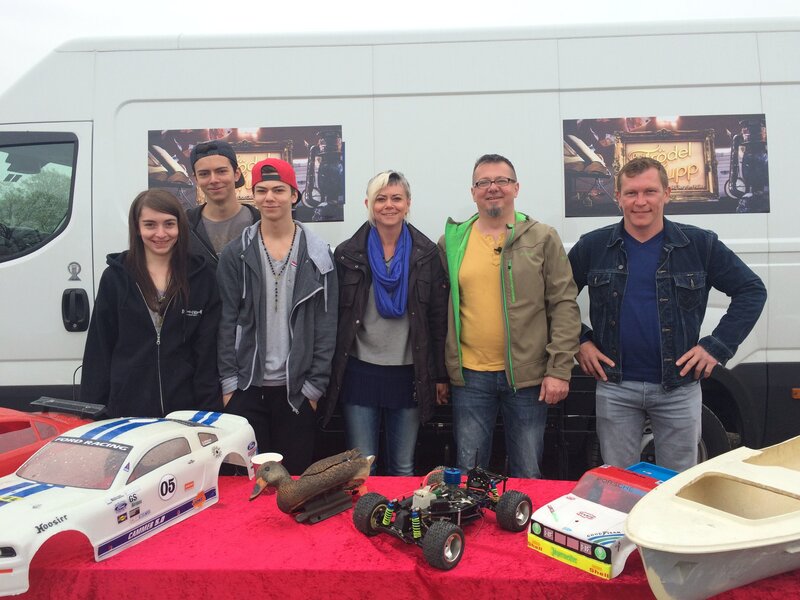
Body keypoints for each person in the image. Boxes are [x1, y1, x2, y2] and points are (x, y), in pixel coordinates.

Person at [568, 156, 767, 472]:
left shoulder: (699, 244)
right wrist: (580, 341)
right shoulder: (593, 246)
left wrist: (716, 347)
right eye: (631, 193)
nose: (641, 201)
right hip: (616, 387)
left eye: (650, 191)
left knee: (677, 483)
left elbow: (752, 290)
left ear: (667, 193)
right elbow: (555, 298)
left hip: (678, 389)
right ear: (618, 197)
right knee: (619, 482)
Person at [439, 154, 580, 478]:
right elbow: (439, 309)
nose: (493, 188)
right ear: (473, 192)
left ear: (516, 188)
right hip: (470, 377)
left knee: (527, 472)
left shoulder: (542, 237)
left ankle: (521, 514)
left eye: (501, 180)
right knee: (469, 473)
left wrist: (559, 369)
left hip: (528, 378)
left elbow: (563, 304)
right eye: (483, 182)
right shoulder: (452, 242)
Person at [217, 158, 338, 475]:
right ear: (254, 196)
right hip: (247, 388)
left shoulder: (318, 255)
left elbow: (326, 326)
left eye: (279, 190)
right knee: (248, 483)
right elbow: (226, 321)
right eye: (262, 190)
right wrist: (230, 386)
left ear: (294, 195)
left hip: (296, 392)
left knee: (293, 482)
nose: (270, 197)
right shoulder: (235, 254)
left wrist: (314, 389)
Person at [324, 170, 449, 476]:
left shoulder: (427, 254)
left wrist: (440, 376)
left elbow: (437, 319)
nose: (389, 205)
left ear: (408, 203)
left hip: (409, 374)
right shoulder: (347, 254)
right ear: (369, 204)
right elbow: (334, 319)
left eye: (396, 198)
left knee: (403, 466)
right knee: (362, 467)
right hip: (359, 372)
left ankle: (399, 510)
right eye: (381, 199)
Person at [81, 190, 221, 417]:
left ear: (180, 227)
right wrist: (92, 411)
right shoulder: (115, 277)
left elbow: (207, 352)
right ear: (137, 228)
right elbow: (99, 349)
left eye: (169, 224)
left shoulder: (201, 277)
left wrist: (209, 413)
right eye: (150, 225)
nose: (161, 233)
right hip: (126, 411)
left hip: (186, 411)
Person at [187, 140, 259, 266]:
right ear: (196, 179)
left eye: (221, 171)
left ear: (236, 174)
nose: (213, 180)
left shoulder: (260, 222)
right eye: (204, 174)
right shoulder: (185, 224)